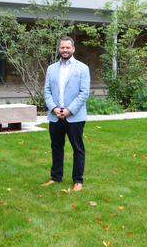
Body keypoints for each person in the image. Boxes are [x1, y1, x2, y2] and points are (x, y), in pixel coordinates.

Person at [42, 36, 90, 192]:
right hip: (55, 115)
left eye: (67, 48)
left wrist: (69, 110)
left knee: (78, 149)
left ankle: (78, 181)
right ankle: (56, 177)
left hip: (74, 116)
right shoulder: (51, 69)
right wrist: (54, 108)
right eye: (62, 47)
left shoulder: (82, 68)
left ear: (73, 49)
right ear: (59, 49)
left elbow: (84, 93)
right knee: (56, 147)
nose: (65, 50)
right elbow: (47, 91)